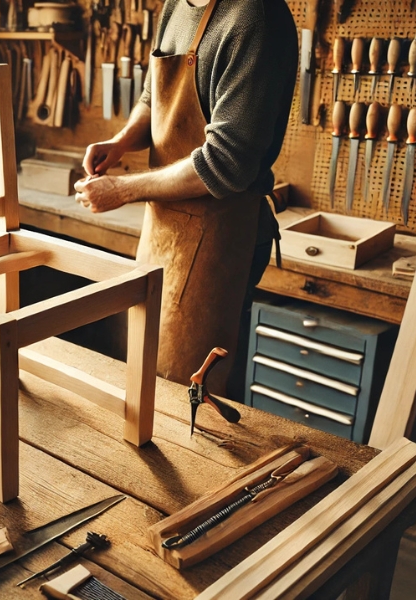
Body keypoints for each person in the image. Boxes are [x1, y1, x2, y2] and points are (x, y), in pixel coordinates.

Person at [74, 0, 298, 395]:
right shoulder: (176, 5)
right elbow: (153, 99)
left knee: (193, 392)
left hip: (221, 235)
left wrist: (123, 189)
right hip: (163, 225)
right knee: (145, 375)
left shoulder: (255, 19)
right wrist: (121, 142)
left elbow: (225, 163)